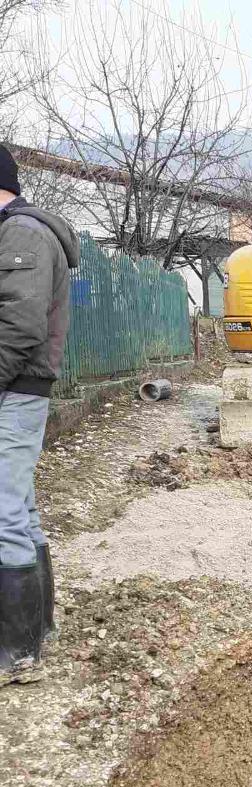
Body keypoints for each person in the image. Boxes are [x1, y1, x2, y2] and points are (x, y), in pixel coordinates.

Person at [0, 145, 80, 685]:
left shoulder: (21, 234)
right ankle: (37, 630)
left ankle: (15, 652)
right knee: (20, 509)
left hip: (16, 389)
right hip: (21, 388)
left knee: (2, 512)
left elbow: (19, 324)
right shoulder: (19, 232)